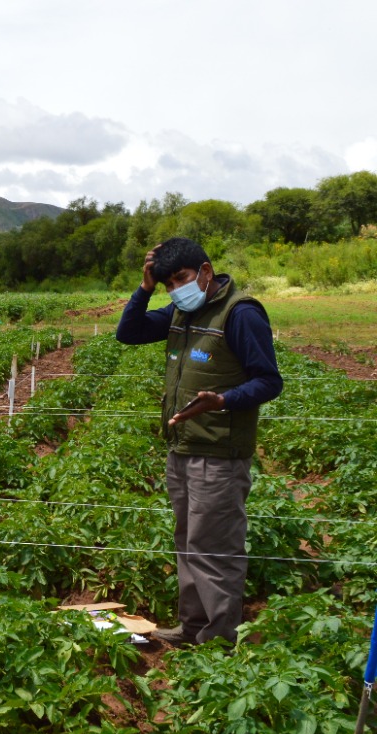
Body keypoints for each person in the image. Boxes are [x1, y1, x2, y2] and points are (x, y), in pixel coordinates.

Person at [115, 237, 283, 646]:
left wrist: (223, 400)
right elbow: (129, 332)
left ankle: (218, 642)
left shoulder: (239, 314)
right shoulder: (180, 311)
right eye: (167, 282)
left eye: (181, 279)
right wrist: (145, 288)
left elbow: (269, 380)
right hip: (183, 447)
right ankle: (193, 629)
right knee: (189, 545)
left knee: (215, 551)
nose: (176, 289)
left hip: (219, 453)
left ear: (205, 272)